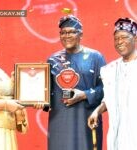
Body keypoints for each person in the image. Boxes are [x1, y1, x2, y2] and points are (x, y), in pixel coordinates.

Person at [46, 15, 106, 150]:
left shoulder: (95, 57)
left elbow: (106, 89)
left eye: (71, 32)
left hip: (86, 121)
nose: (66, 35)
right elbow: (45, 94)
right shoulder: (52, 60)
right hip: (59, 124)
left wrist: (84, 95)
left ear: (81, 34)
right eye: (63, 32)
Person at [88, 18, 137, 150]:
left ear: (135, 39)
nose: (120, 42)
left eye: (124, 37)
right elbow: (110, 99)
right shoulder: (109, 70)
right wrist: (97, 111)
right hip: (118, 136)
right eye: (116, 38)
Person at [0, 22, 28, 150]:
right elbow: (6, 102)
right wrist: (5, 105)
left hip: (6, 131)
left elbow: (10, 98)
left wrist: (16, 85)